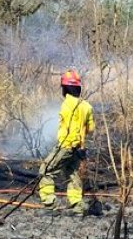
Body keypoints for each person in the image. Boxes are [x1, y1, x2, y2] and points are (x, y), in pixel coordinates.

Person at [37, 69, 96, 216]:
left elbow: (66, 124)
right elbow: (91, 128)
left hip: (65, 146)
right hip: (78, 148)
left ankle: (50, 206)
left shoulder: (67, 104)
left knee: (45, 171)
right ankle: (78, 207)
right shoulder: (87, 106)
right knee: (72, 174)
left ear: (65, 88)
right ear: (78, 88)